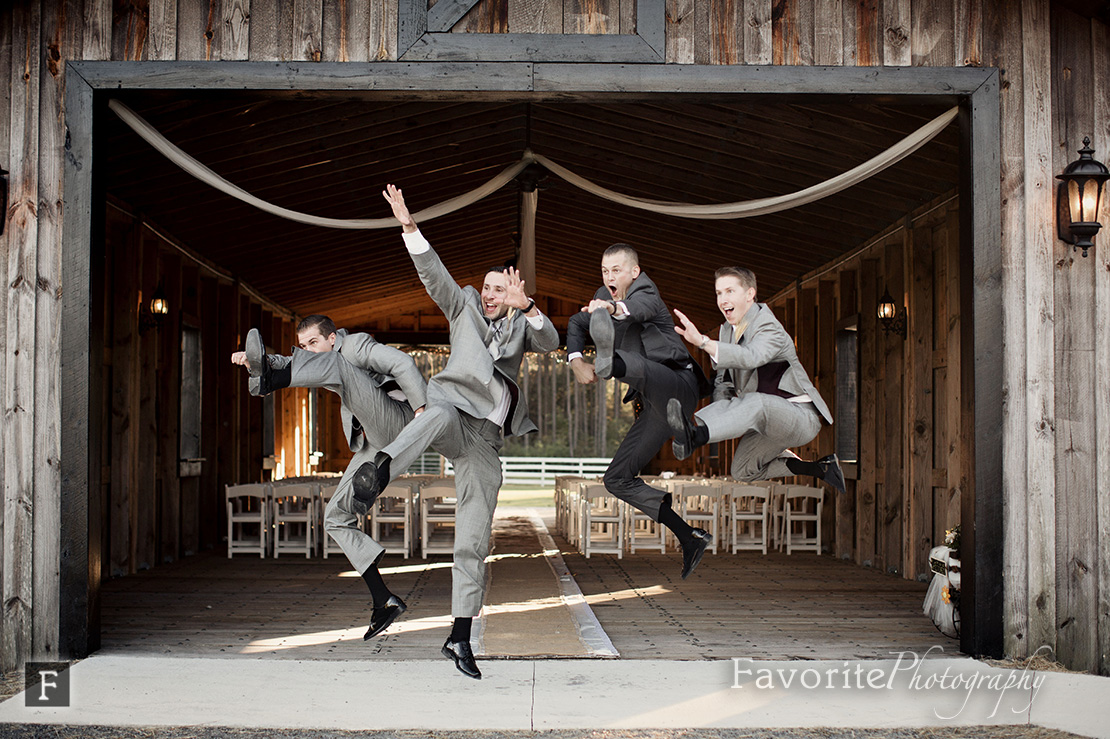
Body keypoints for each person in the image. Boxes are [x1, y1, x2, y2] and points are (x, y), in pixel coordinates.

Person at [349, 184, 560, 679]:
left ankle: (459, 638)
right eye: (486, 287)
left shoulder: (520, 323)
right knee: (436, 414)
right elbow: (434, 275)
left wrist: (526, 306)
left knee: (474, 536)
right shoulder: (463, 307)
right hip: (447, 408)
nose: (490, 294)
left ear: (510, 294)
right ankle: (379, 470)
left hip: (485, 439)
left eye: (498, 289)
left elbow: (550, 340)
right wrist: (408, 225)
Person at [231, 315, 427, 643]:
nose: (309, 350)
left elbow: (404, 362)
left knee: (334, 366)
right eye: (304, 345)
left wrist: (422, 410)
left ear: (333, 338)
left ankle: (268, 382)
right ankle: (384, 601)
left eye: (313, 343)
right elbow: (300, 362)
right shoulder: (326, 358)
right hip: (375, 441)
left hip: (401, 421)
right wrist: (259, 360)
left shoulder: (356, 347)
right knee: (334, 518)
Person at [566, 243, 713, 581]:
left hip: (678, 383)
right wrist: (575, 360)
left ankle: (610, 362)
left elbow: (638, 310)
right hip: (657, 405)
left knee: (640, 366)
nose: (608, 276)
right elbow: (576, 322)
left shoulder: (647, 292)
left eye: (616, 270)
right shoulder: (602, 295)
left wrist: (612, 309)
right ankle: (689, 536)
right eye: (604, 271)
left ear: (634, 271)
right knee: (615, 479)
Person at [666, 266, 845, 492]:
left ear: (750, 294)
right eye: (719, 293)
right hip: (768, 425)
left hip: (800, 417)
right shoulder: (727, 332)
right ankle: (820, 469)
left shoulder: (768, 326)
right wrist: (723, 412)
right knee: (742, 470)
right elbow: (725, 382)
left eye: (729, 291)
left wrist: (703, 342)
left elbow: (751, 356)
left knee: (757, 401)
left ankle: (695, 435)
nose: (723, 300)